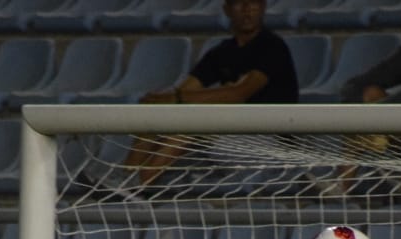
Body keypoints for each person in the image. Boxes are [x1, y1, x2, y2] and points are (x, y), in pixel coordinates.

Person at [124, 0, 299, 187]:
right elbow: (186, 89)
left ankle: (140, 187)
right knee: (154, 116)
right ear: (227, 10)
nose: (247, 10)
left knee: (192, 125)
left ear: (263, 7)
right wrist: (159, 102)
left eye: (253, 3)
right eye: (239, 4)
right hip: (231, 134)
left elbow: (238, 94)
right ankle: (126, 182)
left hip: (267, 138)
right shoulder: (222, 51)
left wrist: (176, 98)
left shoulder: (272, 47)